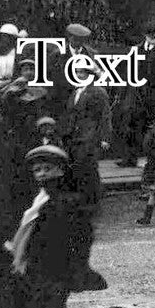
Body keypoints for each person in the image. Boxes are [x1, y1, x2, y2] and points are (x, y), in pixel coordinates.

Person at [5, 145, 100, 308]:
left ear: (60, 171)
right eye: (37, 170)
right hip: (42, 265)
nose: (42, 174)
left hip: (56, 266)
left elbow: (78, 234)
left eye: (48, 168)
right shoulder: (42, 198)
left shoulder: (64, 202)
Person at [60, 60, 112, 211]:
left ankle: (93, 201)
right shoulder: (76, 91)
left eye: (82, 72)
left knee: (89, 167)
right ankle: (84, 200)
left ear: (91, 75)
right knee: (79, 168)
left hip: (90, 135)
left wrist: (105, 137)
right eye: (77, 72)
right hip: (76, 136)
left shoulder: (98, 92)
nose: (79, 75)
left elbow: (105, 115)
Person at [117, 19, 155, 168]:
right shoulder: (136, 50)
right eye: (150, 33)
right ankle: (130, 158)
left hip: (154, 93)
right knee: (133, 126)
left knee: (154, 127)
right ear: (145, 34)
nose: (153, 36)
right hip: (138, 93)